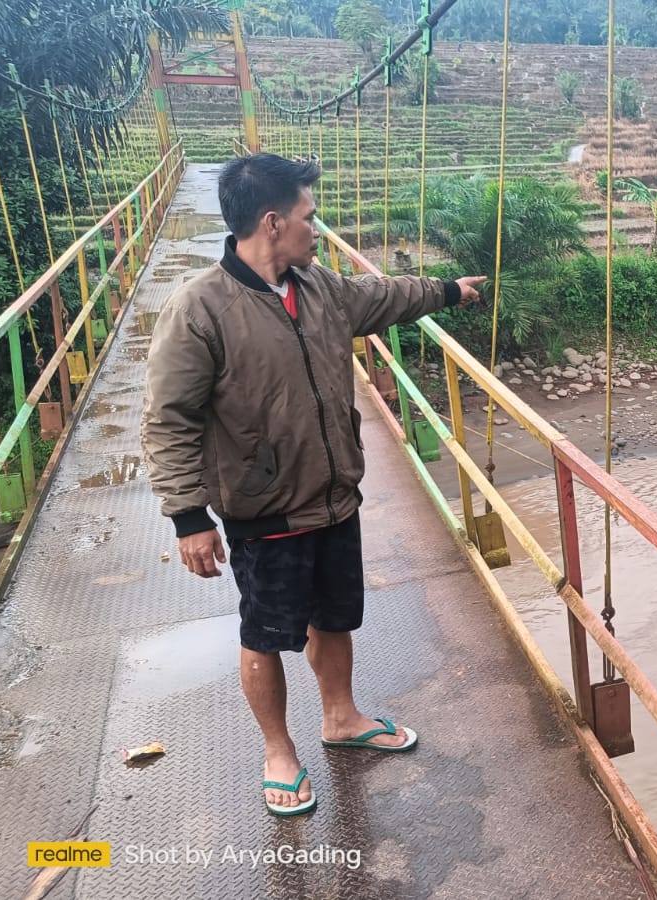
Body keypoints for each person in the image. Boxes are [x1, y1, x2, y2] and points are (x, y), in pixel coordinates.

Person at [141, 153, 485, 817]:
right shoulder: (200, 310)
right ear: (272, 223)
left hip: (334, 496)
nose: (317, 229)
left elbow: (381, 296)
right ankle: (279, 751)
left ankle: (342, 718)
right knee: (266, 632)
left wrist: (448, 290)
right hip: (263, 509)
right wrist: (187, 517)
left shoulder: (318, 287)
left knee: (333, 617)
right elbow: (167, 420)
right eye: (308, 217)